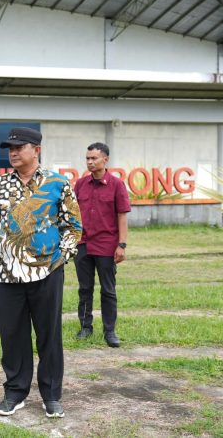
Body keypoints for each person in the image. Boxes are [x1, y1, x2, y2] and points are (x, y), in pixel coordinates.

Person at [0, 127, 82, 419]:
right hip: (8, 275)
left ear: (36, 149)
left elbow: (73, 226)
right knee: (12, 336)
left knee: (49, 335)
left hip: (47, 273)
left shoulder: (57, 183)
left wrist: (60, 258)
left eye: (18, 147)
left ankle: (51, 395)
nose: (12, 152)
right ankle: (15, 392)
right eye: (9, 148)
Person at [73, 142, 131, 348]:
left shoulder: (117, 185)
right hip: (83, 244)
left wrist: (121, 245)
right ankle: (86, 327)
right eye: (87, 158)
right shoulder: (80, 185)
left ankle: (110, 331)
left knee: (108, 290)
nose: (89, 162)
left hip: (106, 245)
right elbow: (72, 214)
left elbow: (122, 216)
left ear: (105, 160)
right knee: (84, 289)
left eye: (94, 158)